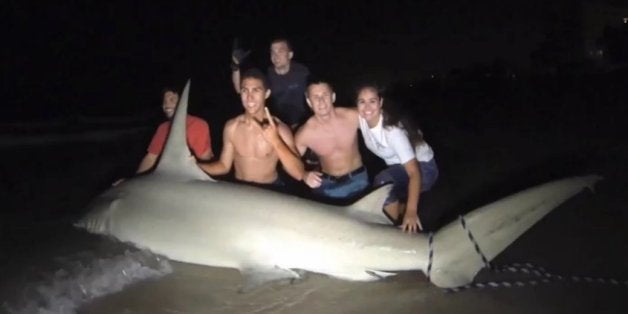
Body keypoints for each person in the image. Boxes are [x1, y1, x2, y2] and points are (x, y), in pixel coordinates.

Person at [198, 69, 304, 188]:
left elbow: (299, 173)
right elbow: (223, 166)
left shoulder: (280, 128)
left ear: (267, 94)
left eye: (256, 90)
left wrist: (276, 140)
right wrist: (194, 166)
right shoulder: (232, 127)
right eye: (245, 91)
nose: (249, 97)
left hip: (270, 189)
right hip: (241, 189)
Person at [355, 84, 439, 233]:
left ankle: (394, 230)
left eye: (372, 101)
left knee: (383, 183)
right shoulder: (362, 118)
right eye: (362, 101)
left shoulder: (392, 132)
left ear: (380, 103)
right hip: (402, 167)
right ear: (357, 104)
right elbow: (336, 115)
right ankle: (398, 213)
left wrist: (411, 212)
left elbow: (414, 173)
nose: (367, 107)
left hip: (424, 169)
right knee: (384, 187)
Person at [295, 79, 368, 200]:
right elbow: (289, 161)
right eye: (315, 97)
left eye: (325, 95)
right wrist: (304, 174)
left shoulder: (353, 116)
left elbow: (381, 120)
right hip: (327, 185)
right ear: (309, 102)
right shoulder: (305, 133)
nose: (321, 101)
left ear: (333, 97)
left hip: (358, 180)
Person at [230, 38, 310, 129]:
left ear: (290, 54)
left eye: (280, 51)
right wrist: (235, 65)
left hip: (303, 124)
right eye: (273, 52)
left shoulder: (303, 72)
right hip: (277, 125)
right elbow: (239, 89)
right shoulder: (266, 75)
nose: (276, 56)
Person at [136, 88, 214, 174]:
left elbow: (206, 158)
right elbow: (150, 158)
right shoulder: (162, 128)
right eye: (164, 101)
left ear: (182, 103)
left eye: (172, 99)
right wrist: (134, 180)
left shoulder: (198, 124)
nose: (167, 104)